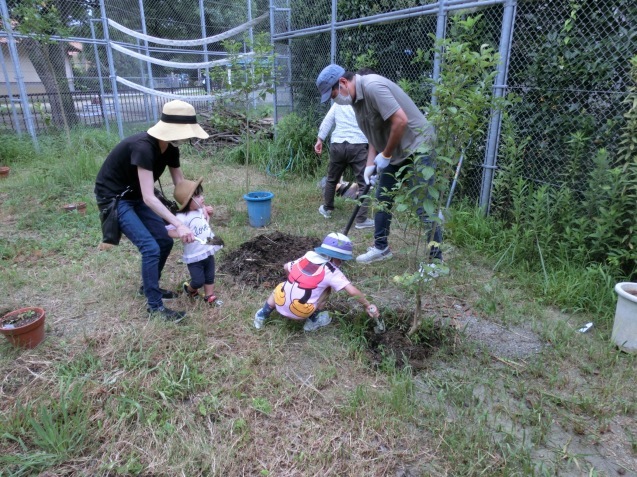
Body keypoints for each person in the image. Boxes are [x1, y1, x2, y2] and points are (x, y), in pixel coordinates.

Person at [94, 100, 209, 322]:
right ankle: (154, 308)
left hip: (136, 195)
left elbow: (181, 186)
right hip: (115, 198)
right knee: (150, 247)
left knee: (164, 242)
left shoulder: (170, 149)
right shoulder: (143, 147)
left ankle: (149, 287)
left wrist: (198, 207)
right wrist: (178, 223)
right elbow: (149, 197)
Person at [316, 64, 443, 265]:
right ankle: (381, 247)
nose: (335, 100)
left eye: (333, 95)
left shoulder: (373, 86)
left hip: (418, 146)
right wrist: (370, 166)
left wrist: (385, 155)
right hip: (395, 150)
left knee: (424, 206)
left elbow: (400, 121)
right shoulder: (355, 103)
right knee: (383, 197)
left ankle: (435, 262)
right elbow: (373, 136)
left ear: (342, 83)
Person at [253, 232, 380, 332]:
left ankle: (262, 314)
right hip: (300, 312)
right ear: (334, 258)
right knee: (327, 289)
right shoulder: (331, 271)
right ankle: (313, 321)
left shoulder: (308, 256)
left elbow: (286, 267)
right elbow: (352, 291)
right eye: (341, 260)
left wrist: (293, 283)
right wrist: (367, 305)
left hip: (280, 302)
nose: (342, 263)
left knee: (281, 287)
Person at [314, 103, 373, 229]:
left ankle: (327, 208)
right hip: (358, 144)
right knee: (364, 183)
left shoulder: (338, 102)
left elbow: (327, 120)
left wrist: (320, 139)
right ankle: (361, 219)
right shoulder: (363, 102)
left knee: (332, 179)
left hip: (338, 145)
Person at [167, 177, 223, 305]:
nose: (202, 198)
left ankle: (209, 296)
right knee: (198, 280)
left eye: (201, 194)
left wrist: (209, 213)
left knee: (209, 276)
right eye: (198, 196)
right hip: (194, 255)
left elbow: (205, 222)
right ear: (188, 201)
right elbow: (168, 230)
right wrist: (181, 234)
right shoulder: (181, 217)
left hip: (208, 249)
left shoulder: (199, 210)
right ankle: (190, 289)